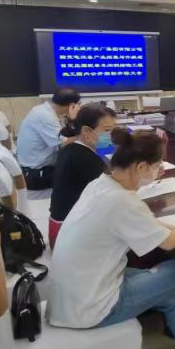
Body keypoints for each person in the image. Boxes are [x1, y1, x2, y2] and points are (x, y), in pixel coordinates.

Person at [48, 130, 175, 349]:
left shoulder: (100, 184)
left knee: (171, 289)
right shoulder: (122, 201)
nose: (160, 170)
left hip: (71, 296)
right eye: (157, 166)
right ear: (140, 167)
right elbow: (168, 242)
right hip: (92, 306)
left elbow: (132, 221)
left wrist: (166, 226)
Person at [48, 103, 117, 250]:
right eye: (107, 130)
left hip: (60, 227)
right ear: (86, 131)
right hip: (68, 238)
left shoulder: (72, 148)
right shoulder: (86, 159)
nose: (111, 136)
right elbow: (114, 194)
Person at [16, 87, 81, 190]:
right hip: (37, 175)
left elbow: (63, 134)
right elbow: (62, 144)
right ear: (72, 105)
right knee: (82, 173)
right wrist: (85, 136)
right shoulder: (45, 116)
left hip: (35, 168)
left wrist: (71, 120)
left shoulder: (43, 109)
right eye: (78, 105)